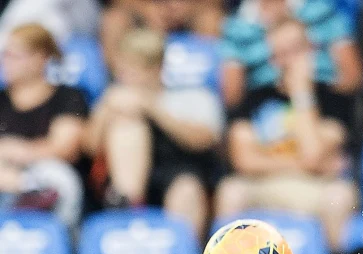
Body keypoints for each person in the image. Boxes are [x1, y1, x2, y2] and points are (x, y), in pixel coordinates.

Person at [214, 17, 359, 249]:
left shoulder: (333, 99)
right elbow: (244, 161)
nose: (290, 61)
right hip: (265, 185)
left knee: (340, 197)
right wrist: (302, 163)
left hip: (314, 188)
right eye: (281, 53)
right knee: (230, 191)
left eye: (296, 50)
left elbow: (313, 154)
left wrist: (302, 94)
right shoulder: (254, 100)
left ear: (311, 50)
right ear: (272, 59)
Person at [85, 28, 223, 239]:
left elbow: (204, 139)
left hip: (180, 174)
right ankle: (128, 209)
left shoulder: (193, 96)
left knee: (186, 191)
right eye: (122, 69)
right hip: (127, 187)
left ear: (156, 69)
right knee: (127, 126)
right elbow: (88, 148)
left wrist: (151, 107)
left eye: (134, 69)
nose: (125, 76)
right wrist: (105, 110)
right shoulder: (114, 99)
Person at [0, 23, 88, 229]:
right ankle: (26, 190)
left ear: (40, 58)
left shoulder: (67, 97)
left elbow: (65, 148)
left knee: (57, 176)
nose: (6, 62)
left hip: (47, 177)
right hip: (6, 177)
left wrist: (15, 149)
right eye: (5, 55)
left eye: (15, 56)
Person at [220, 0, 363, 108]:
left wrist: (305, 88)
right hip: (266, 108)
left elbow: (354, 78)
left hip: (326, 102)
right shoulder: (235, 26)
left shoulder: (321, 8)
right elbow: (232, 99)